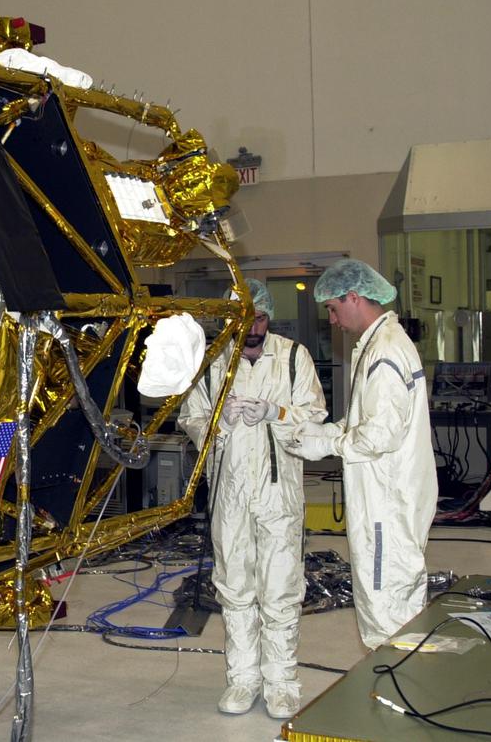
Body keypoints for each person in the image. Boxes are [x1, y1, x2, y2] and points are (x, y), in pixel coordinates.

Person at [179, 279, 326, 719]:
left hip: (279, 494)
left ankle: (282, 682)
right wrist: (217, 421)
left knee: (280, 588)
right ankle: (243, 678)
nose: (253, 329)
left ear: (268, 317)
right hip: (229, 493)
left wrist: (275, 413)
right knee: (235, 588)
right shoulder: (212, 364)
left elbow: (314, 418)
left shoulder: (294, 358)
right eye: (244, 321)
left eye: (259, 319)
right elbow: (191, 419)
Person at [289, 259, 437, 650]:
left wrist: (327, 444)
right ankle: (397, 686)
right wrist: (325, 431)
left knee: (388, 611)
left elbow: (378, 436)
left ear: (353, 297)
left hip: (387, 505)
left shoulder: (385, 352)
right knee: (390, 602)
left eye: (334, 309)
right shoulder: (378, 344)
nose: (333, 321)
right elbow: (364, 419)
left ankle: (398, 692)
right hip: (389, 498)